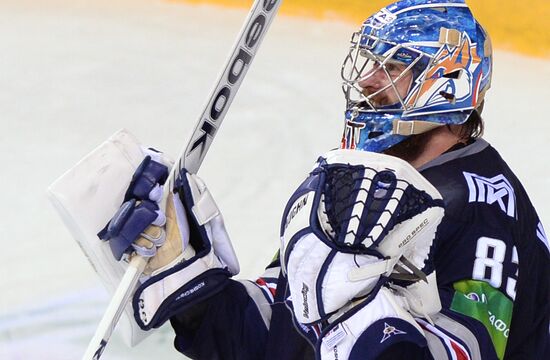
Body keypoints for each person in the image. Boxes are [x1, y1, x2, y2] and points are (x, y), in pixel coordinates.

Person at [99, 0, 550, 358]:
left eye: (391, 69)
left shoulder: (482, 212)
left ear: (446, 85)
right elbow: (276, 337)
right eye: (370, 64)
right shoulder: (360, 184)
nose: (368, 81)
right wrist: (189, 279)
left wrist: (354, 312)